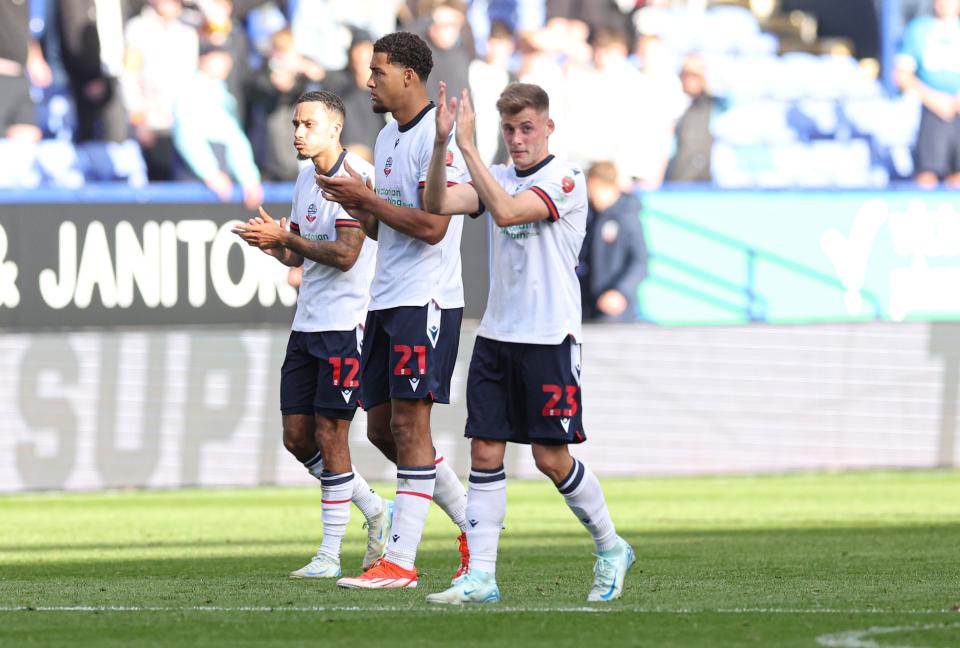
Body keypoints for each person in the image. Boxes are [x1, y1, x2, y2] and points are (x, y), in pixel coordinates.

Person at [421, 81, 635, 604]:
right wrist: (443, 144)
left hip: (549, 338)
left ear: (547, 127)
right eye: (509, 130)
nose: (517, 139)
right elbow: (438, 204)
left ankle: (611, 546)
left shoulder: (566, 179)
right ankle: (483, 577)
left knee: (550, 458)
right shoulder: (494, 174)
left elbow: (510, 213)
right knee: (485, 450)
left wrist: (470, 148)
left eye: (526, 128)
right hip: (497, 335)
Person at [316, 31, 471, 590]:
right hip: (385, 298)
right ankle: (473, 524)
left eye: (378, 71)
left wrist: (369, 200)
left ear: (409, 75)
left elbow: (433, 227)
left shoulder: (440, 136)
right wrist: (354, 201)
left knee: (410, 424)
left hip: (425, 297)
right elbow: (383, 226)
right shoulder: (384, 138)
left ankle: (400, 563)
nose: (368, 81)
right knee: (381, 428)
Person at [231, 90, 391, 579]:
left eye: (308, 125)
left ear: (335, 129)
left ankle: (328, 552)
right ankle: (375, 508)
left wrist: (288, 239)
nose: (297, 133)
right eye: (296, 124)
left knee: (331, 432)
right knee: (297, 438)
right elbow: (300, 255)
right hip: (307, 324)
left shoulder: (355, 179)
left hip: (346, 325)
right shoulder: (306, 177)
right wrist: (274, 246)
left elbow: (345, 254)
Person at [171, 42, 263, 209]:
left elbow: (235, 139)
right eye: (219, 58)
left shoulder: (225, 95)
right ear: (203, 60)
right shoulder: (190, 90)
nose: (226, 63)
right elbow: (187, 135)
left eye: (227, 58)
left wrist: (249, 178)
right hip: (194, 180)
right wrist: (210, 173)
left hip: (220, 178)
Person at [895, 0, 960, 189]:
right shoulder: (919, 30)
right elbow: (902, 75)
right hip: (932, 110)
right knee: (927, 175)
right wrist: (934, 99)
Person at [578, 161, 648, 322]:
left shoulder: (627, 216)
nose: (591, 193)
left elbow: (640, 260)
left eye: (594, 188)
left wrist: (621, 292)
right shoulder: (588, 214)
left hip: (613, 312)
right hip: (584, 305)